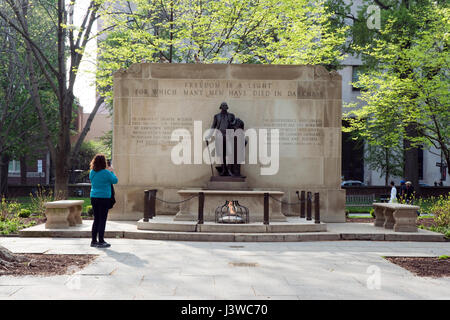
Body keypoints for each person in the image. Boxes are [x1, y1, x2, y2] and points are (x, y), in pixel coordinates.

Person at [89, 154, 118, 248]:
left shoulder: (91, 172)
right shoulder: (106, 173)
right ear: (104, 162)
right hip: (104, 197)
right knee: (102, 219)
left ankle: (93, 241)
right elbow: (115, 181)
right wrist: (112, 171)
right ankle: (101, 240)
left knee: (96, 219)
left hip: (94, 197)